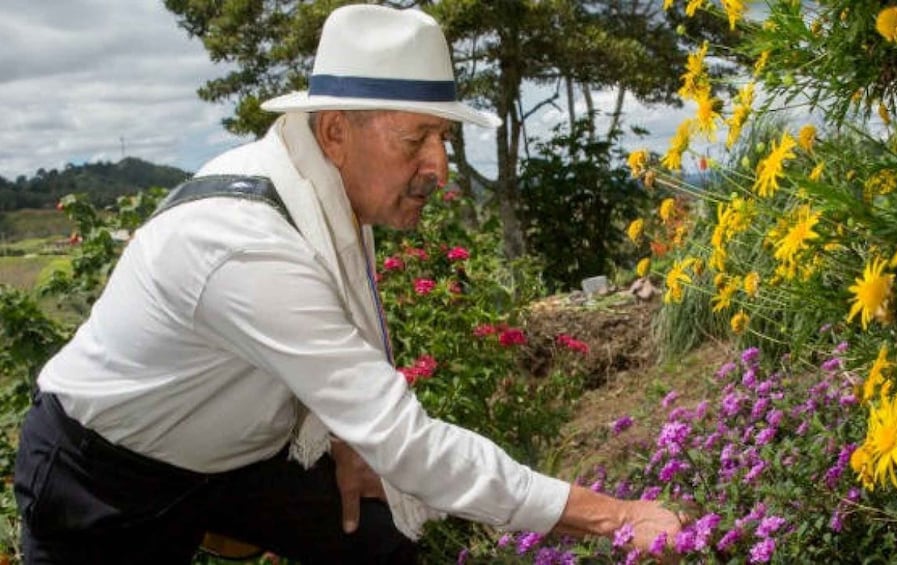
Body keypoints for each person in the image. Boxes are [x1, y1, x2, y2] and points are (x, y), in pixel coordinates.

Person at [13, 5, 686, 564]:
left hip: (233, 459)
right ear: (335, 132)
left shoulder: (324, 195)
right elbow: (407, 440)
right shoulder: (245, 243)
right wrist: (613, 514)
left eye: (443, 140)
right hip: (99, 473)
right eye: (417, 139)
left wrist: (344, 436)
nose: (440, 169)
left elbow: (337, 366)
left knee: (377, 541)